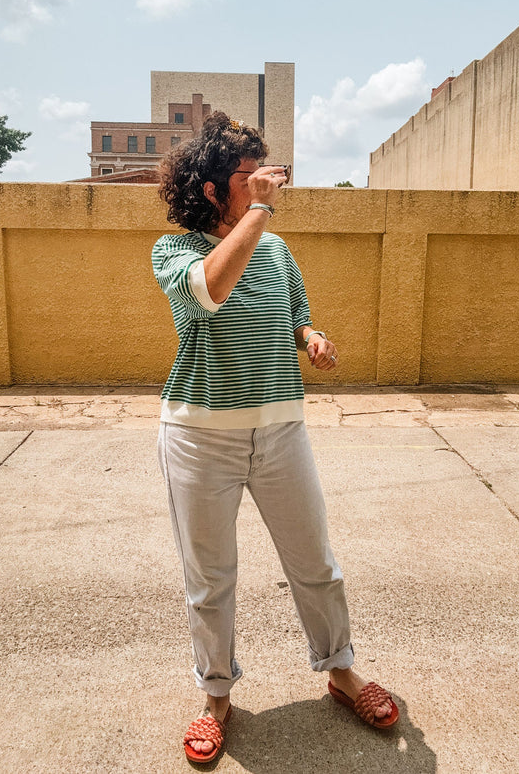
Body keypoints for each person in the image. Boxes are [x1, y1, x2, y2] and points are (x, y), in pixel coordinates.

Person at [152, 112, 398, 764]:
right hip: (200, 437)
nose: (264, 184)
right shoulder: (175, 252)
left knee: (314, 563)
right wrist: (259, 215)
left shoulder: (278, 250)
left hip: (281, 429)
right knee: (210, 578)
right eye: (246, 177)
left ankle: (341, 672)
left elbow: (294, 315)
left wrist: (310, 338)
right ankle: (216, 696)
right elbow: (210, 293)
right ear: (211, 191)